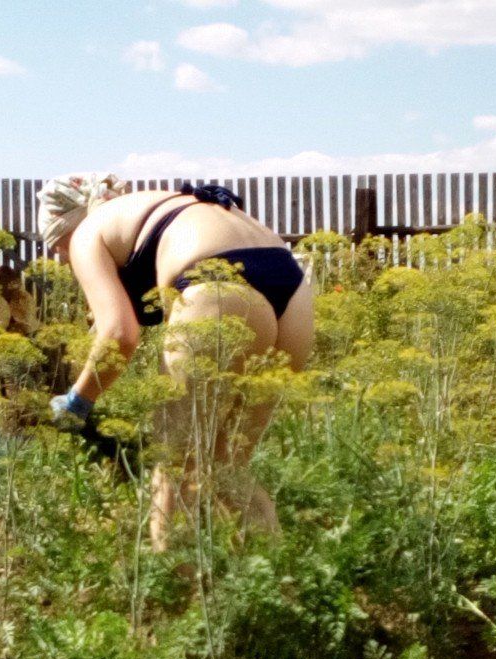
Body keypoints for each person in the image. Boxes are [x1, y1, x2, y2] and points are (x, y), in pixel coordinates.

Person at [37, 173, 314, 550]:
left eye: (57, 248)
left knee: (173, 465)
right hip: (293, 291)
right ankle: (278, 576)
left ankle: (171, 582)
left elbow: (119, 335)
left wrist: (77, 402)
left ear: (63, 229)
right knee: (226, 467)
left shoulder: (86, 233)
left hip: (219, 282)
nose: (63, 258)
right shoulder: (147, 205)